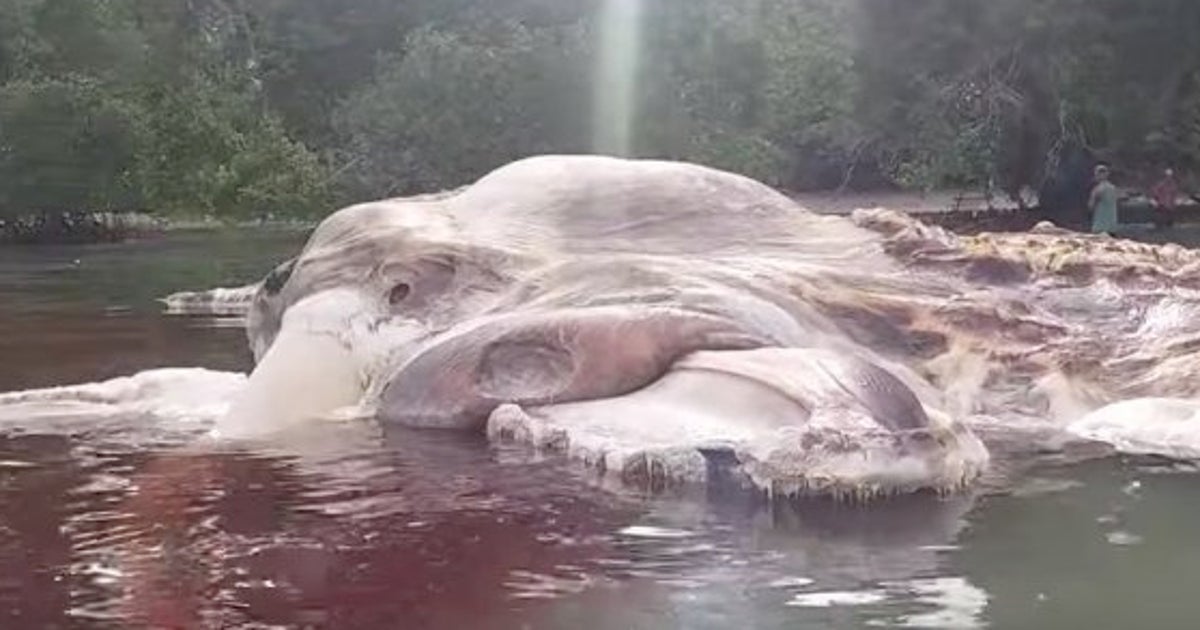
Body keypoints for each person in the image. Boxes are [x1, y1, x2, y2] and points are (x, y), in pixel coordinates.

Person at [1088, 163, 1119, 236]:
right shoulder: (1113, 188)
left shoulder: (1097, 190)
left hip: (1100, 227)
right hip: (1112, 227)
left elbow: (1090, 206)